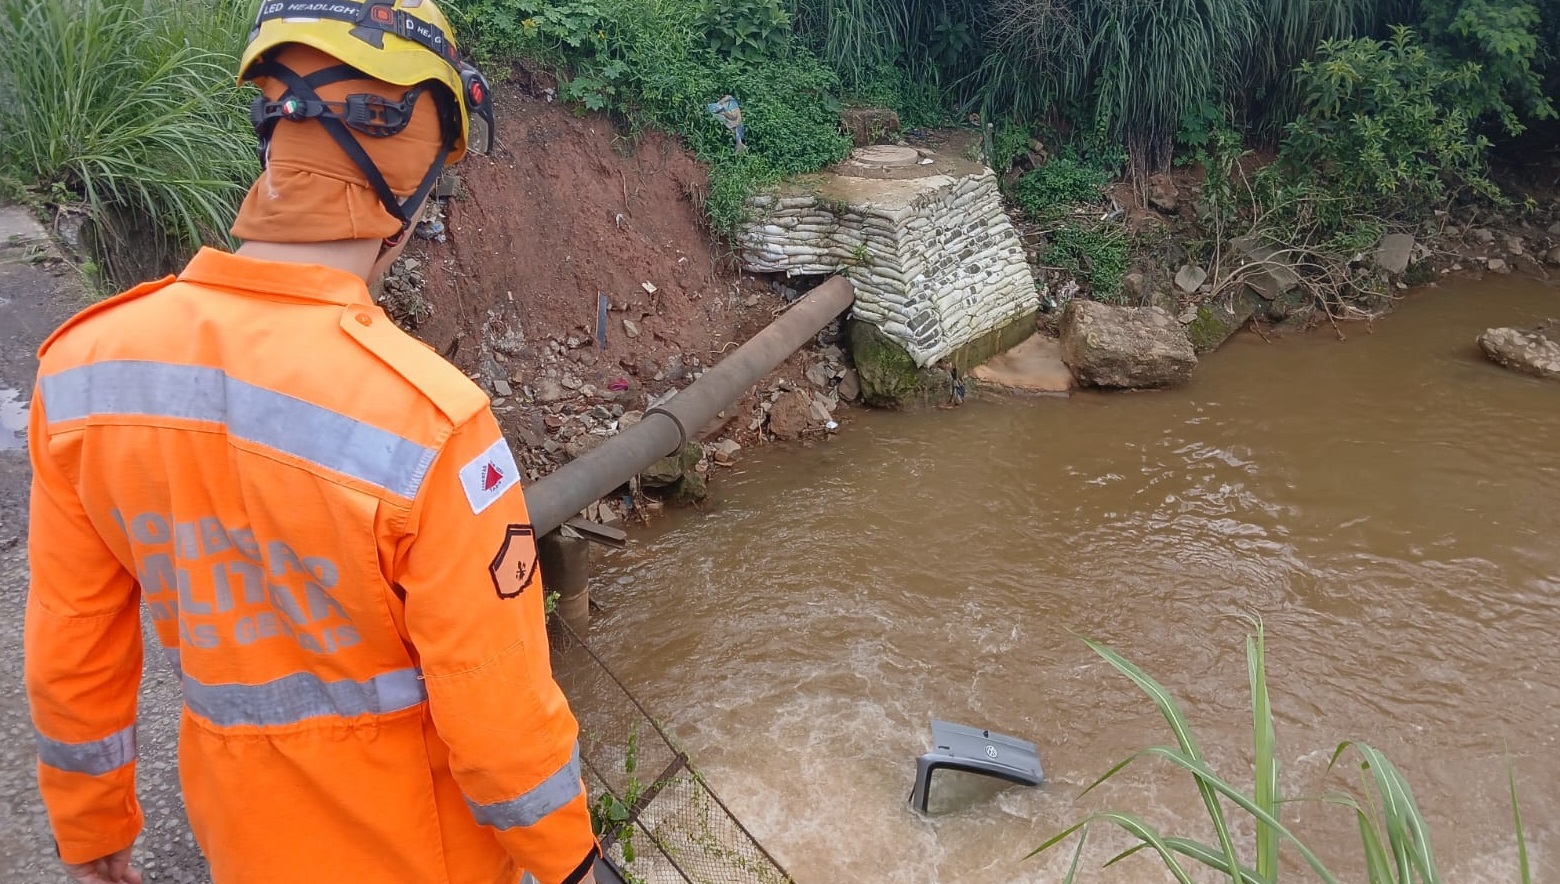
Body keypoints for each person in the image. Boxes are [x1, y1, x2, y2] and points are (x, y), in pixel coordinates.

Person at [24, 2, 600, 882]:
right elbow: (498, 712)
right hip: (418, 856)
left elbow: (72, 641)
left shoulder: (82, 372)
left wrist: (92, 826)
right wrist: (571, 863)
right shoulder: (433, 424)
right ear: (408, 187)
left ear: (272, 141)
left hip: (242, 838)